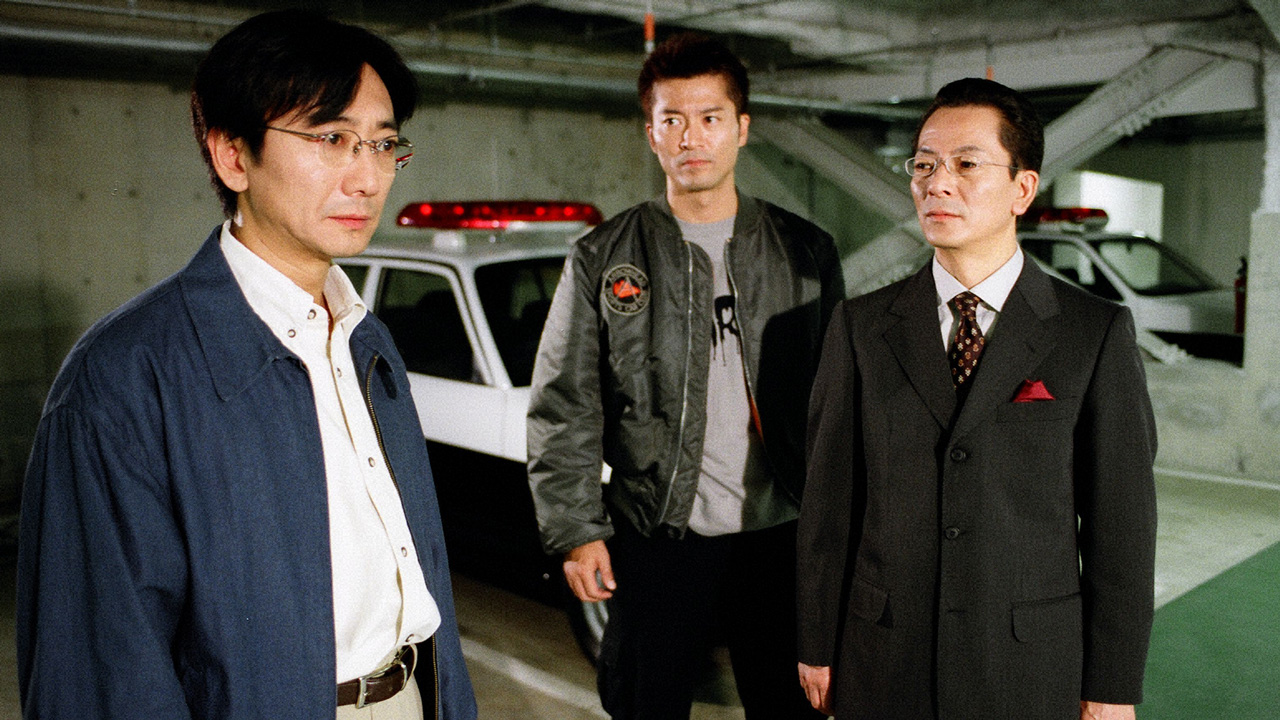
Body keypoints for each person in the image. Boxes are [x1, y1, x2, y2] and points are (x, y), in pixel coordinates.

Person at [16, 10, 476, 719]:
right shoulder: (124, 378)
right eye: (332, 139)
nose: (367, 178)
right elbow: (98, 670)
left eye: (384, 145)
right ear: (234, 155)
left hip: (412, 694)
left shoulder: (367, 338)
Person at [796, 77, 1158, 720]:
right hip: (883, 655)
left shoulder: (1092, 333)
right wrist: (816, 642)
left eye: (966, 165)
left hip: (1027, 662)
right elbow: (830, 504)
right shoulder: (860, 327)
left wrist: (1112, 683)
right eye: (924, 165)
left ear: (1023, 188)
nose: (937, 183)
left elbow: (1121, 527)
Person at [526, 32, 844, 720]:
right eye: (672, 119)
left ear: (741, 129)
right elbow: (565, 403)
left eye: (710, 118)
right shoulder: (604, 256)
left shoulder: (804, 252)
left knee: (790, 708)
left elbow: (839, 405)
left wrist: (842, 530)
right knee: (647, 703)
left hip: (780, 533)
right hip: (658, 533)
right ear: (652, 134)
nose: (691, 137)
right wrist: (577, 529)